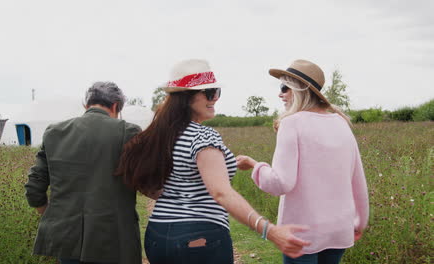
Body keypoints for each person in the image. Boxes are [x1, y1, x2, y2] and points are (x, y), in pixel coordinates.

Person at [116, 59, 311, 264]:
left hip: (158, 235)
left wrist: (186, 191)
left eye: (216, 92)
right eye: (209, 93)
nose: (215, 99)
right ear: (186, 98)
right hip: (200, 238)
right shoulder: (203, 136)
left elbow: (152, 183)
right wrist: (269, 231)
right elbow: (220, 192)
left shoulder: (161, 134)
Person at [236, 59, 369, 264]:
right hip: (339, 229)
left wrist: (255, 165)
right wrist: (360, 221)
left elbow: (280, 183)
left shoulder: (291, 124)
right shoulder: (341, 123)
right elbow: (357, 179)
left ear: (299, 90)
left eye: (284, 88)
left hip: (302, 232)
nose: (280, 94)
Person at [24, 82, 142, 264]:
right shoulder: (128, 131)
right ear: (115, 106)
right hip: (114, 239)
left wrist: (51, 214)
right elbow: (144, 180)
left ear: (86, 105)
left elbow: (34, 187)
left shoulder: (54, 132)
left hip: (68, 238)